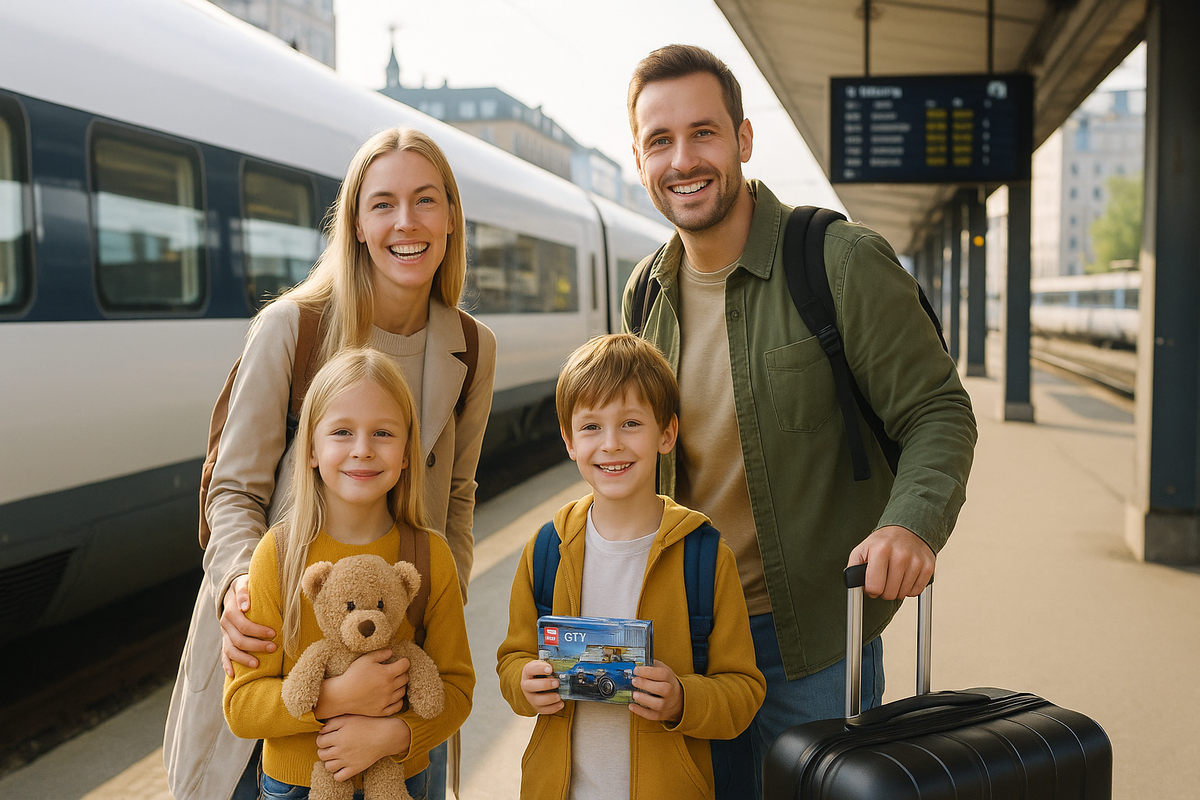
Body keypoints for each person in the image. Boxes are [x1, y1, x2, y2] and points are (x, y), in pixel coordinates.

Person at [622, 45, 978, 798]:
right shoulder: (643, 296)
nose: (683, 159)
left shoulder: (839, 262)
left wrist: (910, 525)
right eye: (660, 140)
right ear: (639, 156)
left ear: (744, 141)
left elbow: (938, 411)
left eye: (704, 133)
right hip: (687, 643)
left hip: (813, 642)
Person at [165, 128, 496, 800]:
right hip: (275, 648)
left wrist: (437, 601)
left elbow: (457, 495)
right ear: (355, 223)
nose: (407, 222)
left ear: (452, 217)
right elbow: (231, 490)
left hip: (393, 665)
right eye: (383, 204)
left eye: (426, 200)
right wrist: (238, 584)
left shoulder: (472, 348)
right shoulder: (294, 327)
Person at [496, 333, 766, 800]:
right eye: (591, 427)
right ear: (569, 441)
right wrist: (524, 683)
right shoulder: (546, 549)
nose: (612, 444)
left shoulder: (702, 556)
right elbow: (512, 660)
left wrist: (684, 698)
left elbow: (742, 692)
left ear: (667, 433)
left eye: (631, 423)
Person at [223, 347, 473, 799]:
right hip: (295, 787)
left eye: (382, 433)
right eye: (342, 432)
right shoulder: (277, 556)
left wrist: (395, 735)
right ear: (313, 450)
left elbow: (455, 689)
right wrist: (336, 696)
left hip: (402, 781)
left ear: (405, 455)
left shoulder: (429, 556)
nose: (362, 449)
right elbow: (241, 706)